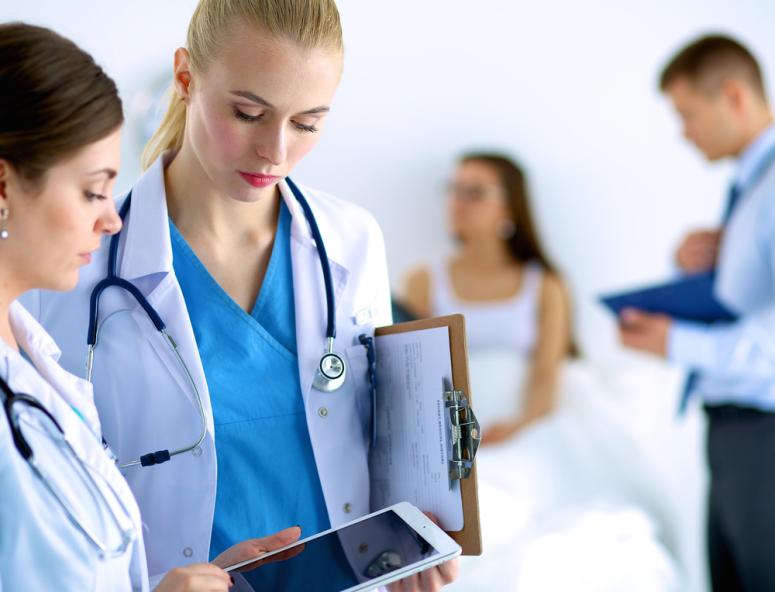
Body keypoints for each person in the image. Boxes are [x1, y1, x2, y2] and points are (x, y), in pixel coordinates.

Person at [21, 2, 456, 590]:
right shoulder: (74, 270)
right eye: (249, 113)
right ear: (185, 78)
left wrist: (417, 530)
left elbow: (385, 439)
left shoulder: (352, 241)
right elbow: (52, 516)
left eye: (307, 123)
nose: (275, 150)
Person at [0, 21, 305, 592]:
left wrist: (180, 581)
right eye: (93, 191)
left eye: (309, 122)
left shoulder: (33, 359)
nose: (112, 218)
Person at [618, 35, 775, 590]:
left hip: (764, 432)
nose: (683, 133)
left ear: (733, 96)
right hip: (736, 430)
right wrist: (713, 261)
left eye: (687, 114)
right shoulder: (753, 185)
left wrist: (672, 340)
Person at [402, 153, 574, 443]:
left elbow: (547, 375)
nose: (458, 202)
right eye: (454, 189)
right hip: (447, 438)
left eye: (475, 193)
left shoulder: (546, 286)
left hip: (524, 431)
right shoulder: (423, 282)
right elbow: (411, 377)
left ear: (509, 208)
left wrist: (520, 428)